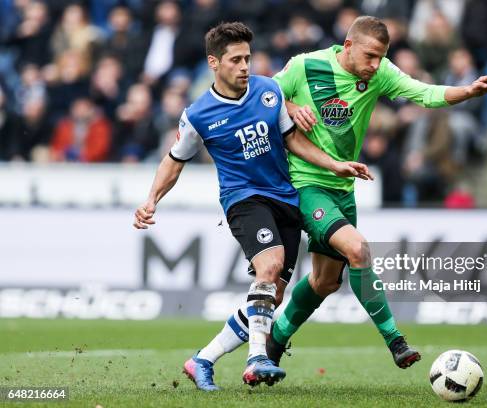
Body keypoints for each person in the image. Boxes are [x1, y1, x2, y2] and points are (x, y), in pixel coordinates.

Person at [132, 22, 371, 390]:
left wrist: (333, 164)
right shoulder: (199, 114)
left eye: (247, 58)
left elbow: (292, 140)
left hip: (285, 199)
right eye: (235, 60)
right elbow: (173, 159)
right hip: (243, 199)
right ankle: (257, 357)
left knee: (271, 295)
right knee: (270, 264)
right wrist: (151, 200)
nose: (245, 66)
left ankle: (203, 360)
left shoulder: (269, 91)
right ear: (214, 62)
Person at [264, 16, 487, 369]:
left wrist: (467, 91)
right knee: (359, 250)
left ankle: (275, 340)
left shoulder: (380, 73)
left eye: (381, 57)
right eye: (371, 56)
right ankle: (396, 341)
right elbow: (262, 97)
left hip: (343, 187)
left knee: (324, 282)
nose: (376, 66)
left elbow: (425, 92)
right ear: (348, 46)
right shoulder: (305, 66)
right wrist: (289, 107)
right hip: (306, 184)